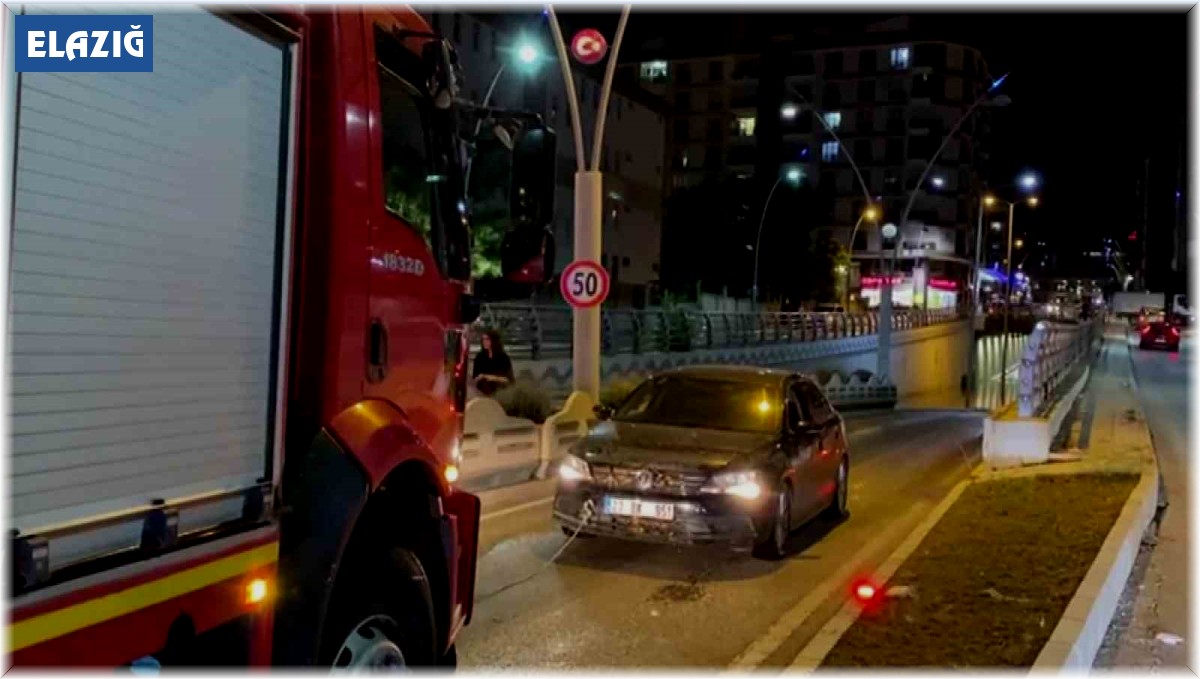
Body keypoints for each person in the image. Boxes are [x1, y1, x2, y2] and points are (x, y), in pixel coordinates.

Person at [473, 330, 515, 397]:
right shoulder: (479, 357)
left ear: (494, 341)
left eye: (487, 339)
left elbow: (509, 380)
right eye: (483, 339)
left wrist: (489, 377)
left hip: (500, 389)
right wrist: (479, 378)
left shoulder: (503, 357)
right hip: (483, 390)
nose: (484, 342)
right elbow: (475, 377)